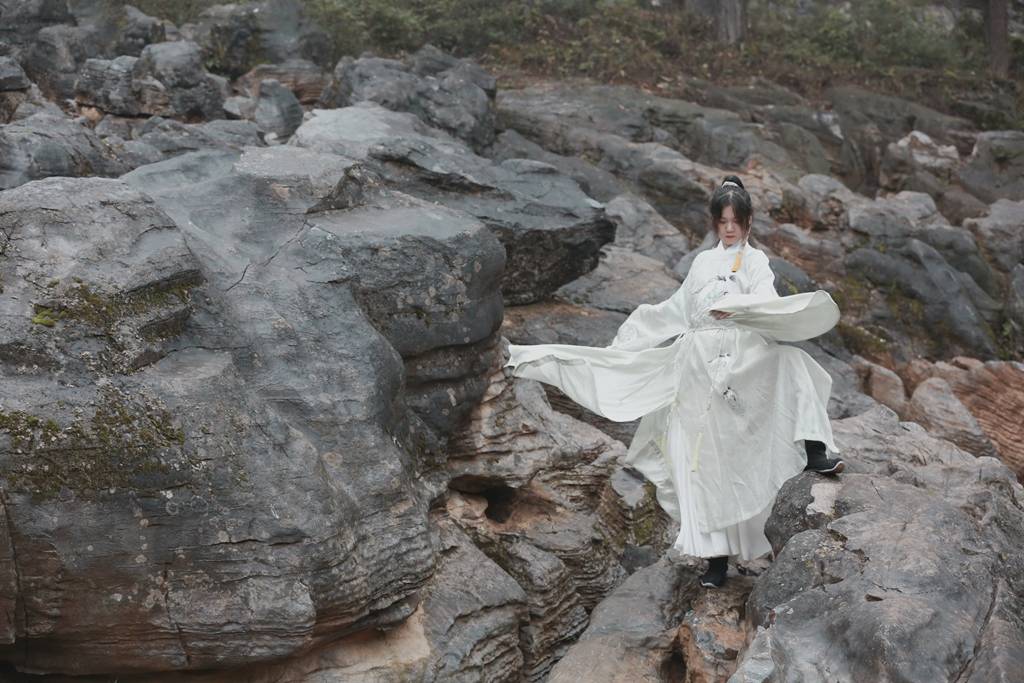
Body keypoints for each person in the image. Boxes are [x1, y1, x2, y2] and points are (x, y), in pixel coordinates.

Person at [503, 175, 844, 588]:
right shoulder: (702, 263)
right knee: (704, 461)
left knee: (793, 362)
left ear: (749, 222)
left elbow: (766, 302)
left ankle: (813, 449)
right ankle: (715, 560)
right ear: (715, 224)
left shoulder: (755, 262)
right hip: (697, 363)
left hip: (741, 354)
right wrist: (632, 338)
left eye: (737, 220)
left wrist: (734, 307)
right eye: (723, 221)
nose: (730, 228)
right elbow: (676, 310)